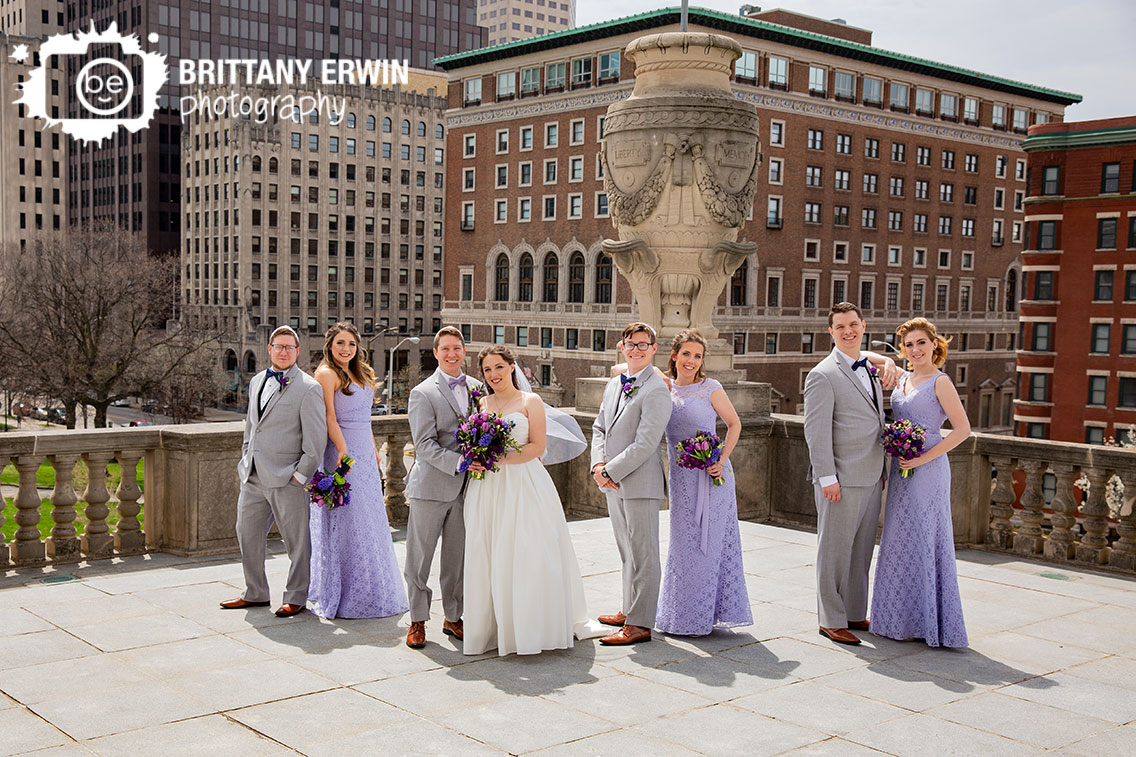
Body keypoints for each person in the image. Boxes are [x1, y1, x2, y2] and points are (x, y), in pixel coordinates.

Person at [462, 345, 604, 656]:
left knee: (527, 549)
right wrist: (476, 457)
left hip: (524, 484)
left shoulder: (531, 401)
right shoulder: (481, 403)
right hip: (488, 487)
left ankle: (530, 627)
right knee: (490, 550)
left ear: (511, 366)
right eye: (487, 370)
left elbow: (537, 447)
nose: (493, 375)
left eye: (498, 367)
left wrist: (497, 456)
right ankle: (495, 627)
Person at [870, 318, 970, 647]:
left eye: (922, 343)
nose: (916, 350)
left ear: (934, 345)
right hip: (902, 468)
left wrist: (923, 459)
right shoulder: (902, 379)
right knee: (898, 538)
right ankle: (899, 621)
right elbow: (859, 355)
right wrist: (887, 361)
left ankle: (929, 623)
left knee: (926, 537)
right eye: (909, 344)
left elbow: (962, 430)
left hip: (928, 469)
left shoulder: (940, 382)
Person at [803, 303, 893, 645]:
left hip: (871, 474)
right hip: (839, 478)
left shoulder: (869, 368)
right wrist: (828, 478)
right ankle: (831, 618)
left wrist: (882, 470)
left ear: (863, 326)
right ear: (831, 332)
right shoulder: (822, 374)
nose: (848, 331)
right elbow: (816, 431)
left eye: (853, 324)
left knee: (860, 551)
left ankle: (854, 612)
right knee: (834, 551)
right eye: (840, 327)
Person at [223, 326, 327, 617]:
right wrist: (246, 457)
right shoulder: (257, 381)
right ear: (269, 349)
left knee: (296, 541)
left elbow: (316, 440)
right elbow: (251, 426)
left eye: (289, 347)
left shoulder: (309, 387)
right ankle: (255, 592)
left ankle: (296, 596)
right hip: (253, 475)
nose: (284, 352)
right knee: (247, 534)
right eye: (278, 346)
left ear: (298, 351)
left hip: (287, 478)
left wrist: (299, 476)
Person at [308, 323, 409, 619]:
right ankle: (343, 589)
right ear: (329, 345)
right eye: (340, 343)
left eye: (351, 344)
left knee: (369, 516)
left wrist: (373, 450)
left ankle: (371, 586)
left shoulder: (361, 371)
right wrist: (342, 450)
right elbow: (328, 416)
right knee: (347, 517)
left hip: (365, 447)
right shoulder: (326, 373)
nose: (346, 349)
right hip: (342, 449)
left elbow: (366, 418)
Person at [655, 329, 752, 636]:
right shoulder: (665, 390)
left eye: (697, 356)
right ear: (674, 355)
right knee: (683, 547)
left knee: (708, 546)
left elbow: (735, 424)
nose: (692, 361)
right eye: (686, 354)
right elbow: (623, 367)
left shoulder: (710, 387)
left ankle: (703, 617)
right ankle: (679, 615)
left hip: (713, 478)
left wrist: (721, 460)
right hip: (681, 479)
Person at [591, 322, 673, 645]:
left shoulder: (657, 388)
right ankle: (628, 609)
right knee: (627, 552)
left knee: (644, 554)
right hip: (611, 482)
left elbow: (646, 443)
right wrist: (598, 466)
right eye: (631, 344)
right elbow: (599, 427)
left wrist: (610, 470)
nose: (636, 349)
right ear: (622, 347)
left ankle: (640, 624)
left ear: (654, 350)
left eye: (643, 344)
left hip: (640, 483)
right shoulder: (614, 384)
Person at [403, 326, 483, 649]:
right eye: (445, 349)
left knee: (456, 558)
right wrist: (460, 461)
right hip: (431, 488)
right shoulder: (422, 393)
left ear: (465, 351)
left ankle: (453, 617)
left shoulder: (479, 389)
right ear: (435, 353)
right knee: (419, 558)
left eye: (457, 348)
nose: (452, 354)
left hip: (468, 491)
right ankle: (417, 621)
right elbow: (423, 446)